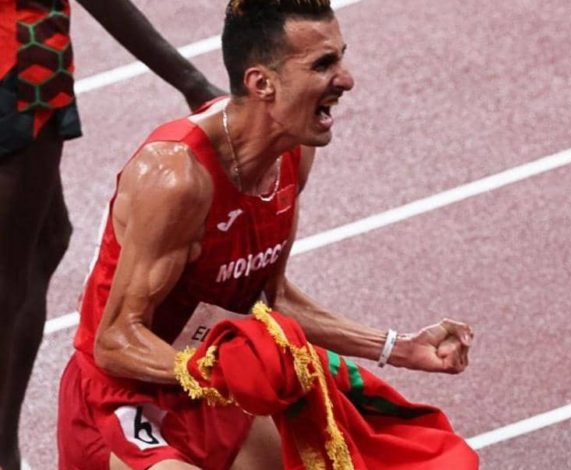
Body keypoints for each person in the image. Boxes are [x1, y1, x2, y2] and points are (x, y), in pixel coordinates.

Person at [56, 0, 475, 469]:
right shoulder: (177, 178)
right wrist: (206, 368)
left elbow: (270, 298)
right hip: (127, 399)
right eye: (323, 65)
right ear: (262, 84)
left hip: (219, 386)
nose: (346, 79)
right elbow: (114, 341)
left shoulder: (292, 151)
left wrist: (399, 348)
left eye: (340, 58)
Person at [0, 1, 222, 469]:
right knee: (9, 280)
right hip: (20, 63)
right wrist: (191, 82)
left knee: (47, 240)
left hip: (25, 59)